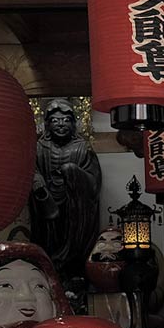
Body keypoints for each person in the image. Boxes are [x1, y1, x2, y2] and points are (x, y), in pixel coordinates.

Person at [32, 98, 102, 280]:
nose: (61, 124)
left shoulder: (84, 148)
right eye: (55, 120)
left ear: (73, 124)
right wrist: (39, 184)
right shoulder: (39, 147)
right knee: (48, 238)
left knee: (73, 241)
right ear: (47, 124)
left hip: (75, 206)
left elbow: (94, 183)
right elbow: (32, 170)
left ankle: (72, 265)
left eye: (66, 120)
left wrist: (73, 173)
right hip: (47, 202)